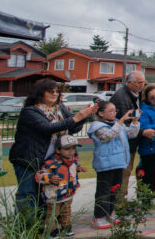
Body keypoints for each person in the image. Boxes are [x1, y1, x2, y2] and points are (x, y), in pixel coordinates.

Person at [9, 79, 96, 219]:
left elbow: (74, 128)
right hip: (30, 160)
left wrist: (85, 116)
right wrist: (77, 117)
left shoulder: (60, 108)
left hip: (52, 161)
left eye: (57, 91)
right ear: (40, 93)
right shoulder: (30, 111)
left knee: (47, 196)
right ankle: (25, 228)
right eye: (51, 91)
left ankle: (43, 227)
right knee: (29, 195)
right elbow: (47, 128)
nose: (55, 93)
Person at [88, 100, 139, 228]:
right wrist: (120, 122)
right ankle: (99, 217)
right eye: (110, 111)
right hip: (105, 163)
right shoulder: (97, 126)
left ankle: (110, 213)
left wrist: (134, 123)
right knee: (103, 191)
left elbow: (130, 134)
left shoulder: (116, 123)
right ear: (100, 113)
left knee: (114, 189)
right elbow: (106, 137)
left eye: (114, 110)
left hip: (118, 162)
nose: (113, 113)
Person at [36, 135, 85, 239]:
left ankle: (66, 228)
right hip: (54, 194)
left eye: (73, 148)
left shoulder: (73, 160)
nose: (71, 151)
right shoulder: (50, 162)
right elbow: (39, 175)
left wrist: (79, 168)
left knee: (66, 210)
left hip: (68, 192)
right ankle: (51, 230)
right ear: (58, 150)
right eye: (67, 149)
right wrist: (49, 178)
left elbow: (73, 168)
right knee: (52, 213)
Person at [110, 70, 146, 196]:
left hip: (132, 140)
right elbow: (123, 124)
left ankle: (121, 199)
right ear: (129, 82)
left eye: (143, 82)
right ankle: (120, 202)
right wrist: (142, 132)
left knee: (127, 170)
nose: (142, 85)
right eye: (139, 82)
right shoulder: (121, 97)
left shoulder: (135, 94)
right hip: (124, 142)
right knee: (124, 172)